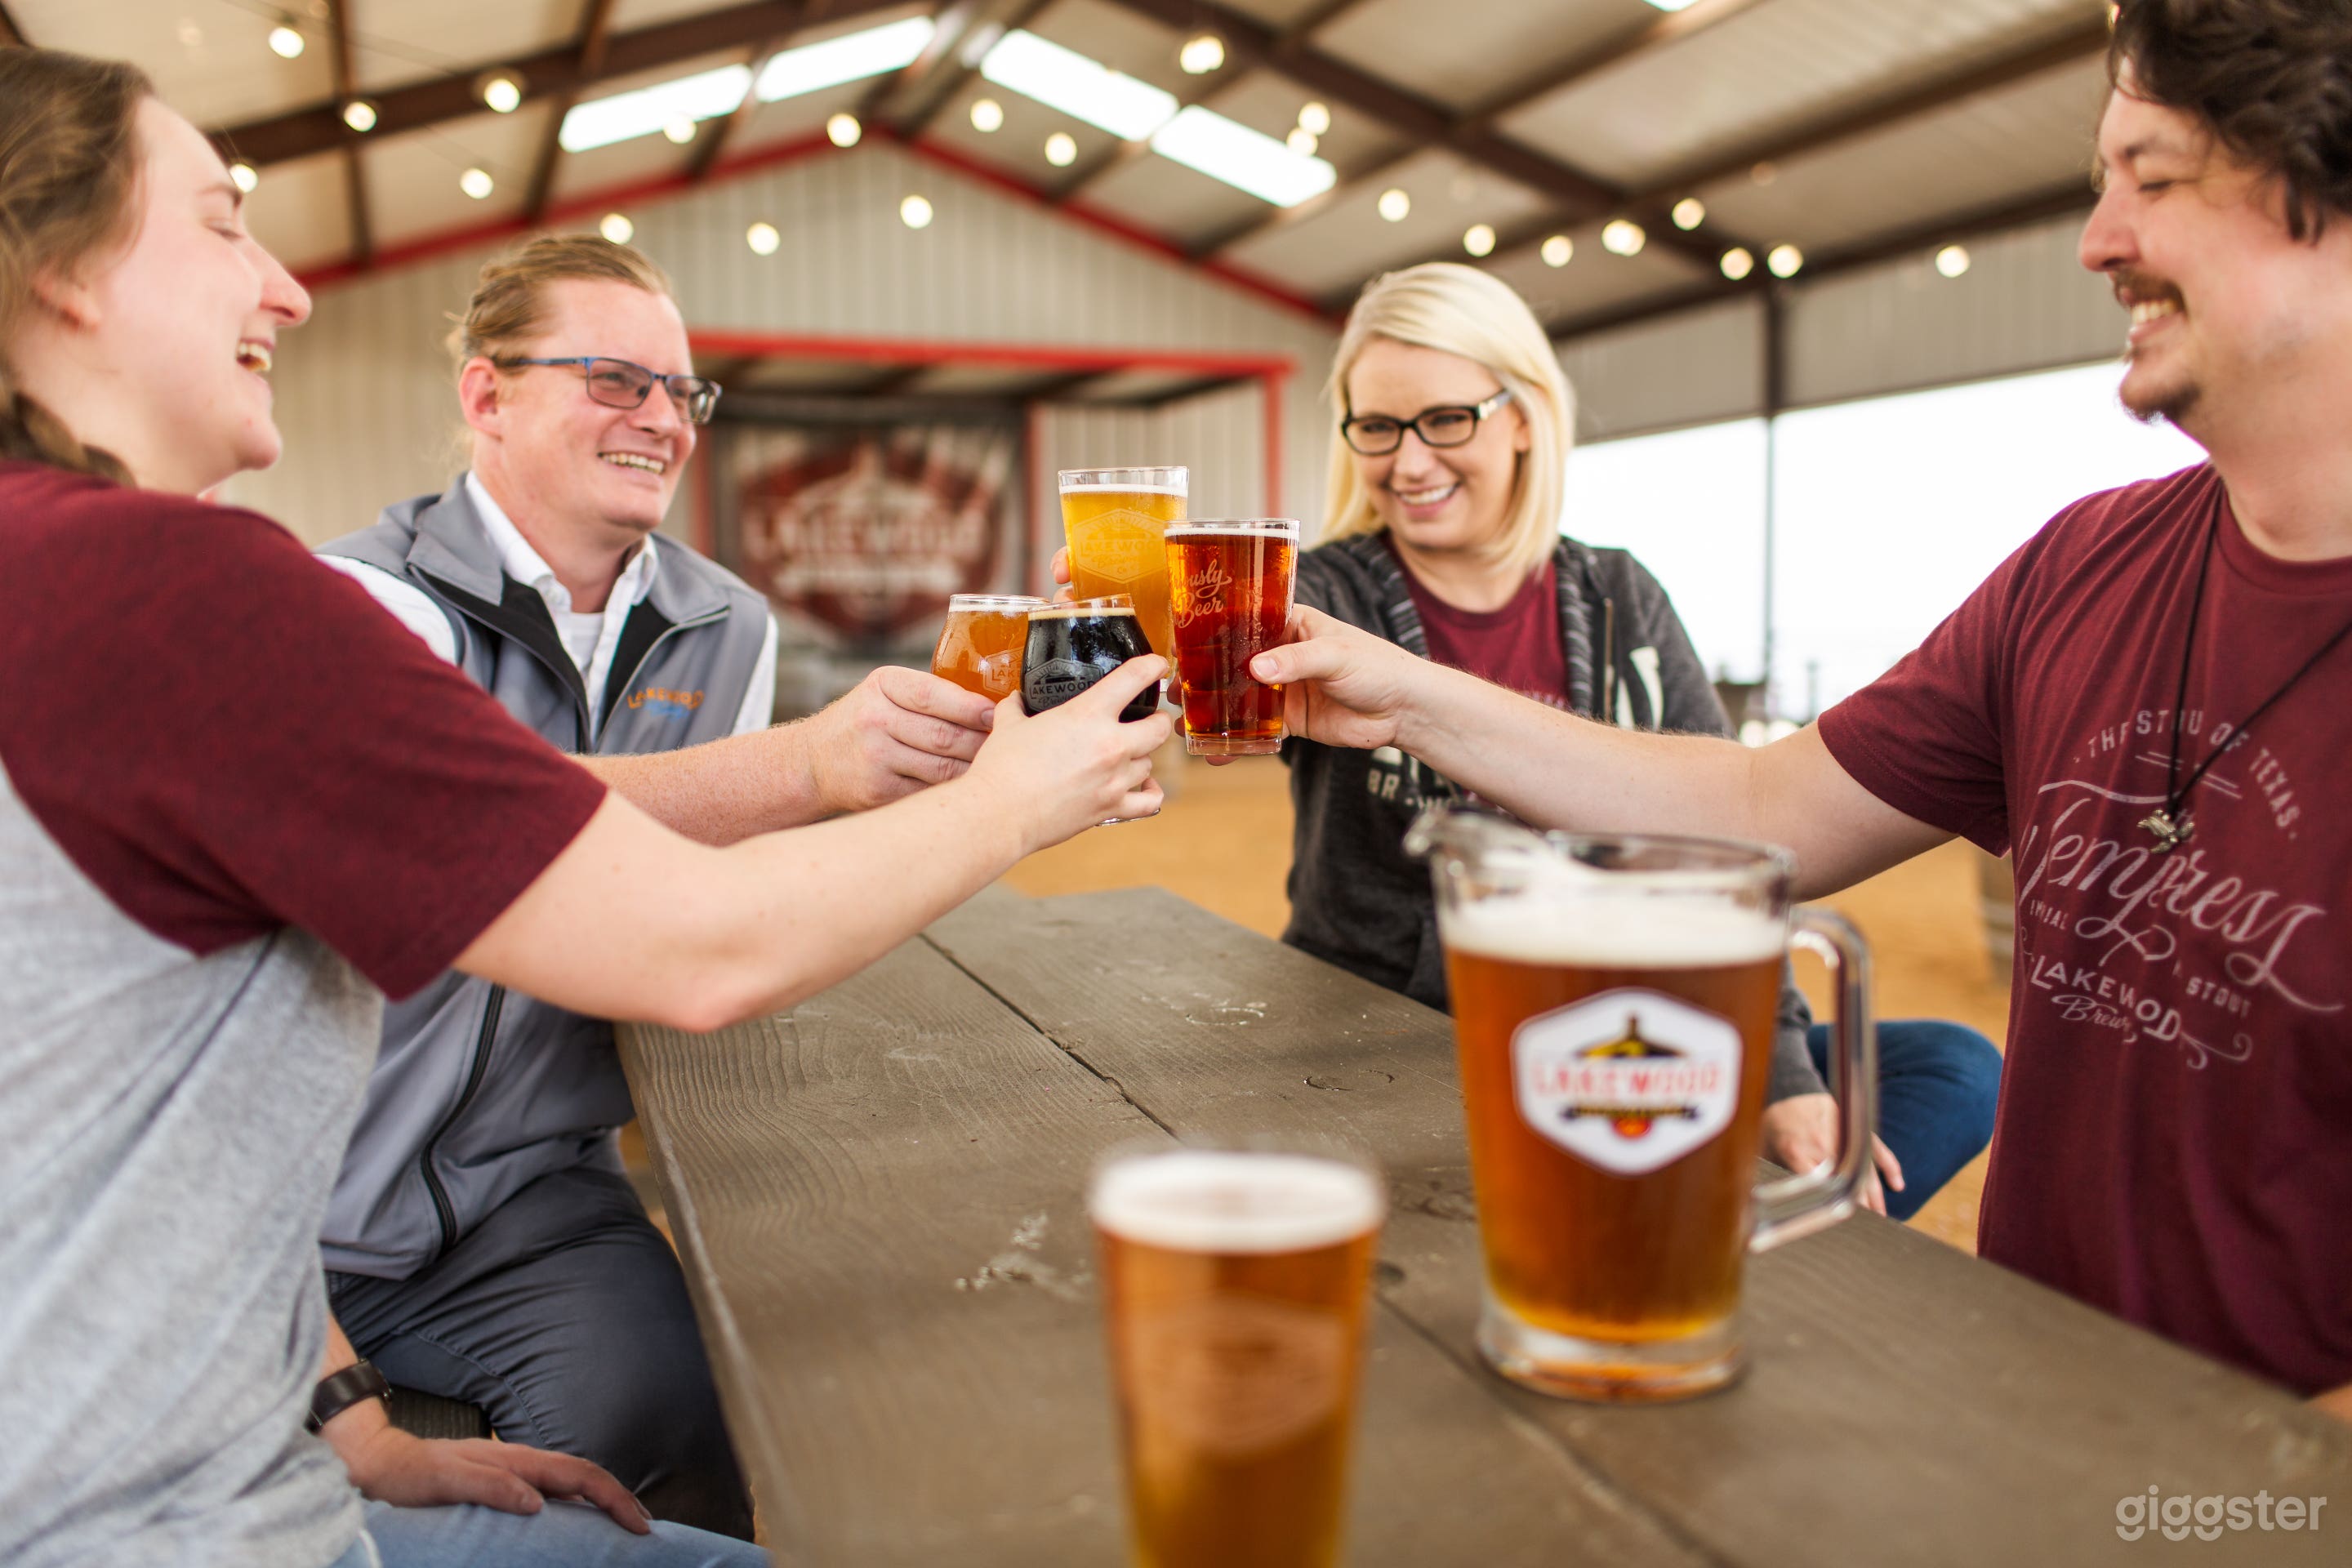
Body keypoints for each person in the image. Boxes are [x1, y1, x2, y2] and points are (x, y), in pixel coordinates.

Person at [0, 46, 1168, 1568]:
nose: (285, 288)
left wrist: (351, 1419)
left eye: (680, 389)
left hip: (262, 1399)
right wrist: (1022, 789)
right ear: (61, 269)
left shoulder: (66, 580)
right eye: (224, 222)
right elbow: (696, 947)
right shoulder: (195, 592)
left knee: (651, 1421)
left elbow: (135, 1132)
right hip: (149, 1524)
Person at [1248, 0, 2352, 1414]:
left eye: (2153, 176)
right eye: (2100, 183)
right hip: (2012, 1409)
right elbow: (1758, 811)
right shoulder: (2081, 569)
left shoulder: (1613, 590)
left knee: (1942, 1068)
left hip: (2252, 1493)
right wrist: (1398, 689)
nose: (2097, 239)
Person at [310, 236, 991, 1539]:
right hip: (293, 1206)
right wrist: (799, 768)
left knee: (669, 1457)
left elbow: (684, 894)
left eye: (685, 392)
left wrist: (941, 785)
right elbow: (449, 830)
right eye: (617, 379)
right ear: (486, 395)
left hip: (530, 1205)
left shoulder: (727, 620)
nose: (662, 421)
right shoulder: (361, 598)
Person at [1285, 261, 1999, 1220]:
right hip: (1414, 1035)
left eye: (1445, 420)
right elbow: (1217, 677)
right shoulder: (1327, 596)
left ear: (1526, 417)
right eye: (1376, 427)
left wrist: (1786, 1075)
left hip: (1619, 1027)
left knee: (1954, 1068)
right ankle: (1682, 1230)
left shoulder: (1620, 598)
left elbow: (1732, 855)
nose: (1409, 462)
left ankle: (1688, 1231)